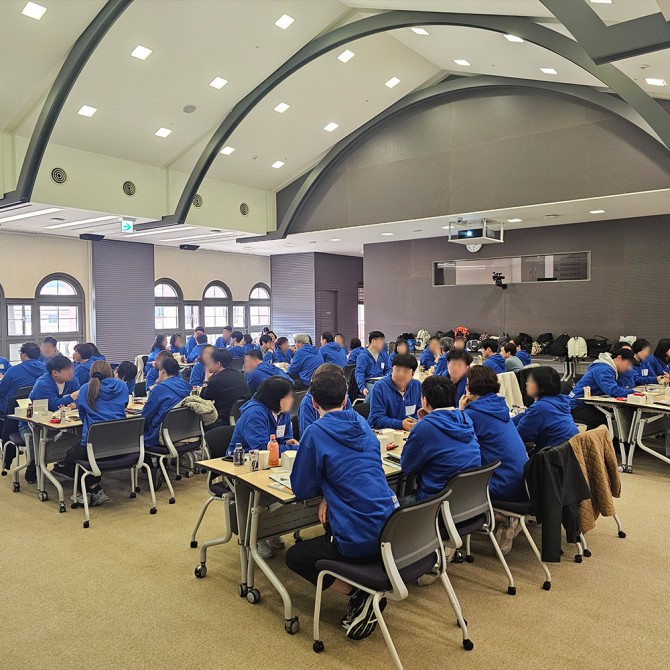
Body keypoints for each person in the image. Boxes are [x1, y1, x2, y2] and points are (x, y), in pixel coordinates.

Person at [286, 369, 399, 640]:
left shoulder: (315, 432)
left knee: (295, 556)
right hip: (391, 529)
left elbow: (302, 488)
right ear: (346, 399)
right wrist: (329, 492)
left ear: (313, 402)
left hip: (357, 538)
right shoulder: (362, 424)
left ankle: (359, 592)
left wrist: (324, 489)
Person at [55, 361, 128, 507]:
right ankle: (92, 489)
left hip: (93, 446)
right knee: (78, 455)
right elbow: (124, 406)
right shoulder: (122, 386)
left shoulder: (85, 389)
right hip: (121, 446)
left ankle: (90, 490)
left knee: (70, 457)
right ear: (110, 371)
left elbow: (82, 415)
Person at [400, 376, 481, 502]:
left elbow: (407, 467)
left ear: (425, 401)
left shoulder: (425, 427)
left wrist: (422, 425)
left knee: (390, 507)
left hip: (437, 501)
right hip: (469, 499)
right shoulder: (465, 419)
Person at [460, 366, 528, 502]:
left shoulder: (474, 414)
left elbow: (459, 442)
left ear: (471, 387)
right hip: (522, 480)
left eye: (467, 384)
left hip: (502, 485)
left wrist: (462, 411)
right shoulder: (499, 406)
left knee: (452, 482)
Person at [15, 354, 80, 483]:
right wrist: (71, 397)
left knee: (74, 436)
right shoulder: (43, 384)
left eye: (71, 368)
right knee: (36, 441)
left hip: (59, 423)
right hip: (32, 425)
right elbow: (53, 405)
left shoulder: (72, 380)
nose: (71, 371)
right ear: (55, 373)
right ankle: (33, 465)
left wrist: (72, 403)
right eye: (67, 369)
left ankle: (63, 465)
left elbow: (82, 399)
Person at [513, 367, 579, 452]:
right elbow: (526, 414)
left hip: (552, 457)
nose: (526, 383)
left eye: (530, 381)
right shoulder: (557, 401)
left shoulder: (540, 408)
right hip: (568, 453)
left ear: (542, 387)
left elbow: (519, 435)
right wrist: (508, 421)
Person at [569, 348, 636, 429]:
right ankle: (594, 437)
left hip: (588, 403)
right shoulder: (604, 369)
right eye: (628, 363)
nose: (629, 367)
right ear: (619, 358)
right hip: (577, 404)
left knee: (615, 415)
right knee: (602, 420)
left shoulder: (612, 369)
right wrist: (634, 394)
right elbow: (612, 390)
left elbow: (623, 385)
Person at [142, 357, 192, 451]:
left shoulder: (159, 389)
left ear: (163, 371)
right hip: (183, 432)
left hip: (160, 436)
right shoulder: (186, 386)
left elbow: (146, 417)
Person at [368, 354, 421, 430]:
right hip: (382, 432)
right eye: (397, 370)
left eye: (405, 371)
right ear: (392, 369)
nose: (400, 374)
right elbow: (377, 419)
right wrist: (401, 424)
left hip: (407, 432)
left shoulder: (417, 386)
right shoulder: (380, 387)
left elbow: (420, 412)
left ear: (413, 374)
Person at [199, 348, 250, 427]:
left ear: (218, 364)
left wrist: (206, 380)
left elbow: (203, 399)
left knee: (201, 424)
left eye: (210, 363)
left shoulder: (217, 380)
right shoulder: (240, 374)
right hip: (241, 417)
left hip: (224, 421)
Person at [298, 363, 352, 436]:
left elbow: (351, 422)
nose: (344, 385)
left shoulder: (343, 397)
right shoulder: (307, 403)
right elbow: (307, 435)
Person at [0, 342, 46, 418]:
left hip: (12, 407)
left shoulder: (14, 370)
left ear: (24, 355)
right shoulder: (46, 369)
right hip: (37, 407)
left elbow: (1, 391)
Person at [354, 330, 391, 397]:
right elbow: (359, 373)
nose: (383, 343)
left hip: (382, 382)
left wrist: (386, 378)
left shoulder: (383, 355)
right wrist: (362, 387)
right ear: (373, 341)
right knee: (377, 391)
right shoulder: (363, 356)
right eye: (381, 341)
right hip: (369, 383)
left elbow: (388, 369)